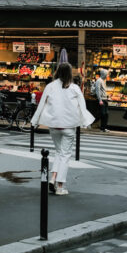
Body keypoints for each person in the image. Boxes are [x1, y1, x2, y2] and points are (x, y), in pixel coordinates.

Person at [31, 63, 93, 194]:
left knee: (59, 152)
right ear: (70, 73)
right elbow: (82, 106)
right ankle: (60, 186)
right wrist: (86, 122)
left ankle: (53, 178)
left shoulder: (50, 86)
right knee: (65, 155)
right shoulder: (75, 88)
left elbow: (42, 103)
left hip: (54, 125)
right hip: (69, 126)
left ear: (57, 72)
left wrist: (35, 120)